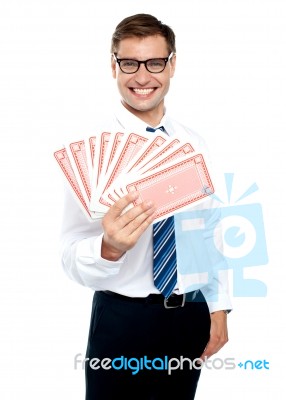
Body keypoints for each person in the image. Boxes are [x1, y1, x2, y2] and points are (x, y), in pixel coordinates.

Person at [60, 13, 232, 400]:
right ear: (113, 64)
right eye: (129, 63)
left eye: (155, 63)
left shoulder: (193, 142)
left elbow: (206, 231)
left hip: (190, 315)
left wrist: (218, 307)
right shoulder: (92, 150)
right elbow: (68, 252)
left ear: (172, 64)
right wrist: (108, 248)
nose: (142, 76)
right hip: (123, 321)